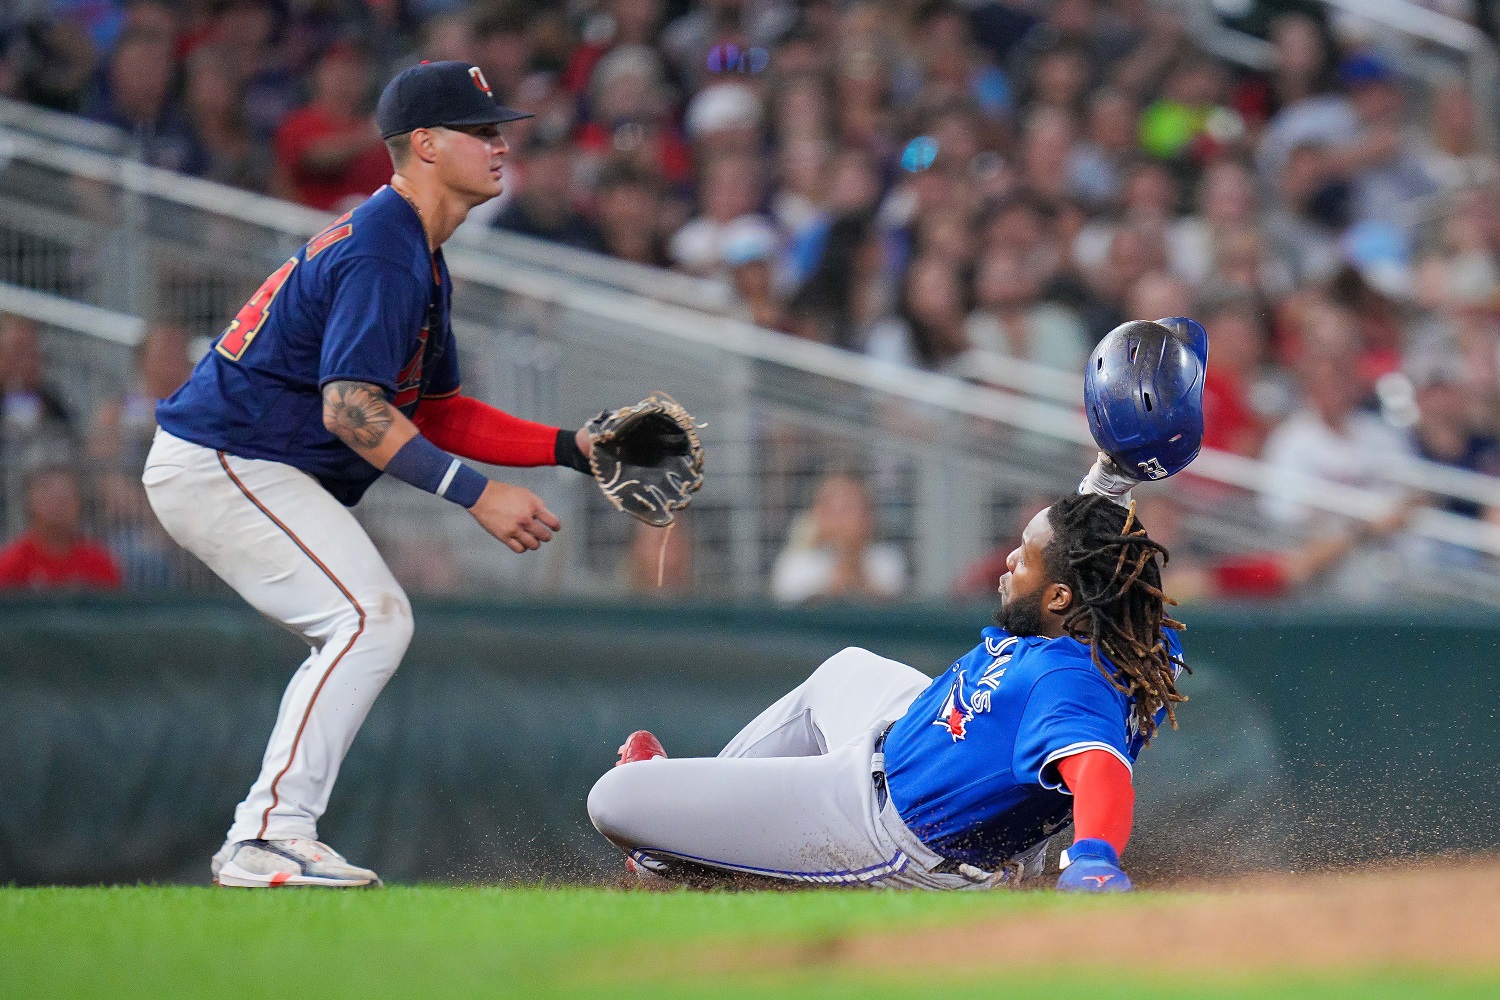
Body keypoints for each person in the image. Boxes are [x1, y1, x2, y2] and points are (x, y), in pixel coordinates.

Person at [143, 62, 607, 890]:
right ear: (424, 145)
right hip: (223, 459)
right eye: (481, 130)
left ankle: (272, 833)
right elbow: (351, 410)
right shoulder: (387, 251)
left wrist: (573, 447)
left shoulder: (413, 252)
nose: (502, 143)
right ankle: (268, 834)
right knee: (369, 618)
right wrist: (476, 494)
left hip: (241, 463)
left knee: (369, 619)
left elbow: (433, 411)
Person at [590, 491, 1185, 890]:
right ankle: (693, 823)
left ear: (1059, 596)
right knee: (845, 669)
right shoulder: (1113, 624)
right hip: (908, 739)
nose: (1009, 559)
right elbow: (1091, 553)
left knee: (614, 799)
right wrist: (1111, 476)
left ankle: (660, 860)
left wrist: (1094, 858)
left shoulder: (1068, 682)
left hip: (891, 826)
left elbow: (1100, 769)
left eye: (1024, 557)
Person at [0, 465, 123, 591]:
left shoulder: (99, 562)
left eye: (64, 497)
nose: (56, 505)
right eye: (47, 497)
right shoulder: (11, 562)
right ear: (29, 502)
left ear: (79, 502)